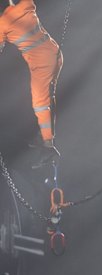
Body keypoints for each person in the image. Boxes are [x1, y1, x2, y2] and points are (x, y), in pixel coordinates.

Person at [1, 0, 63, 166]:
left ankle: (48, 146)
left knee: (40, 104)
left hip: (41, 63)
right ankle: (45, 136)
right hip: (55, 53)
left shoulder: (2, 23)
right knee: (50, 96)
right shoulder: (26, 4)